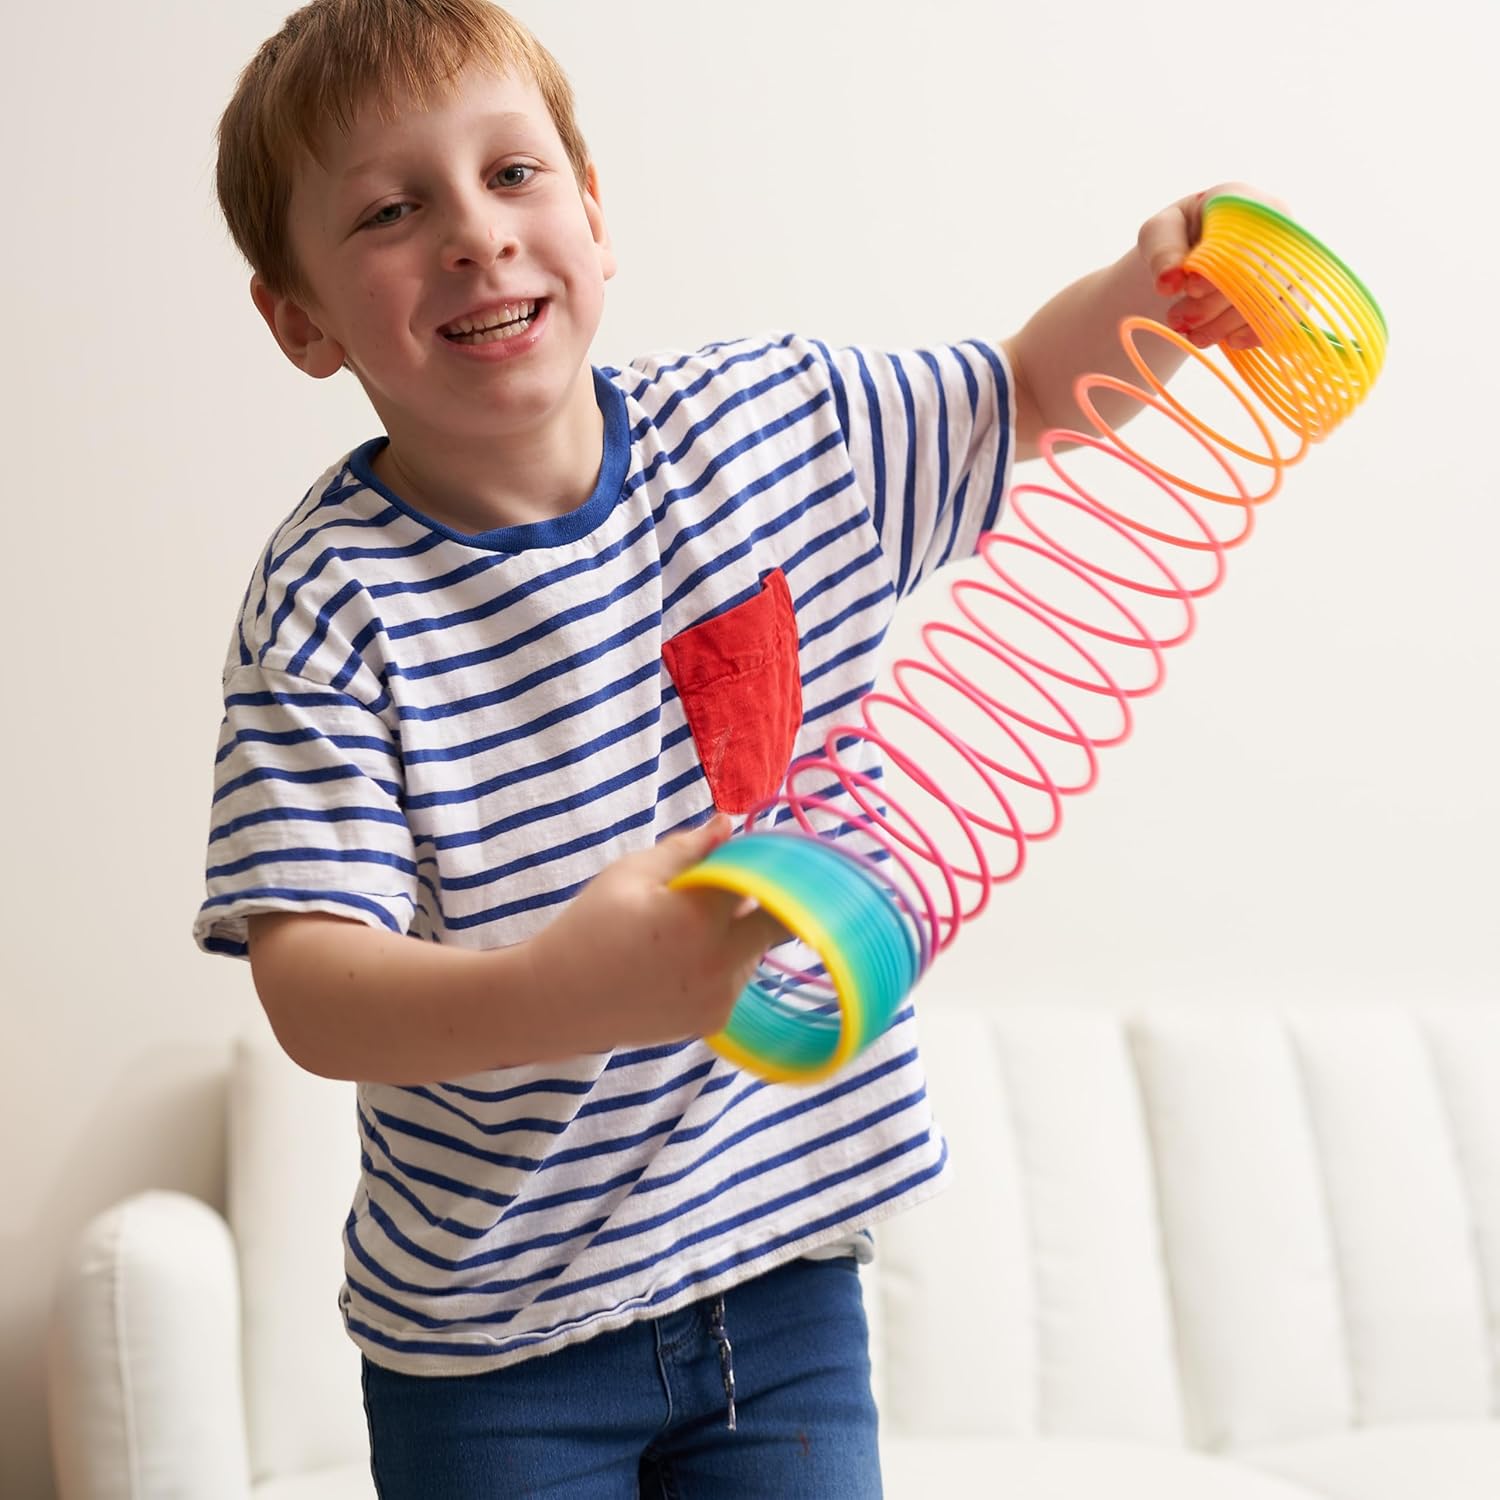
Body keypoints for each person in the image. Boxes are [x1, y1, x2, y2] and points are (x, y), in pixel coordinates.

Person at [196, 1, 1270, 1493]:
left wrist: (1157, 288)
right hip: (493, 1349)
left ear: (594, 215)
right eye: (392, 208)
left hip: (782, 1274)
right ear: (300, 317)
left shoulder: (778, 426)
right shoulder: (330, 604)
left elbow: (1029, 393)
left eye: (514, 175)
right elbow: (311, 983)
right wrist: (554, 991)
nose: (474, 236)